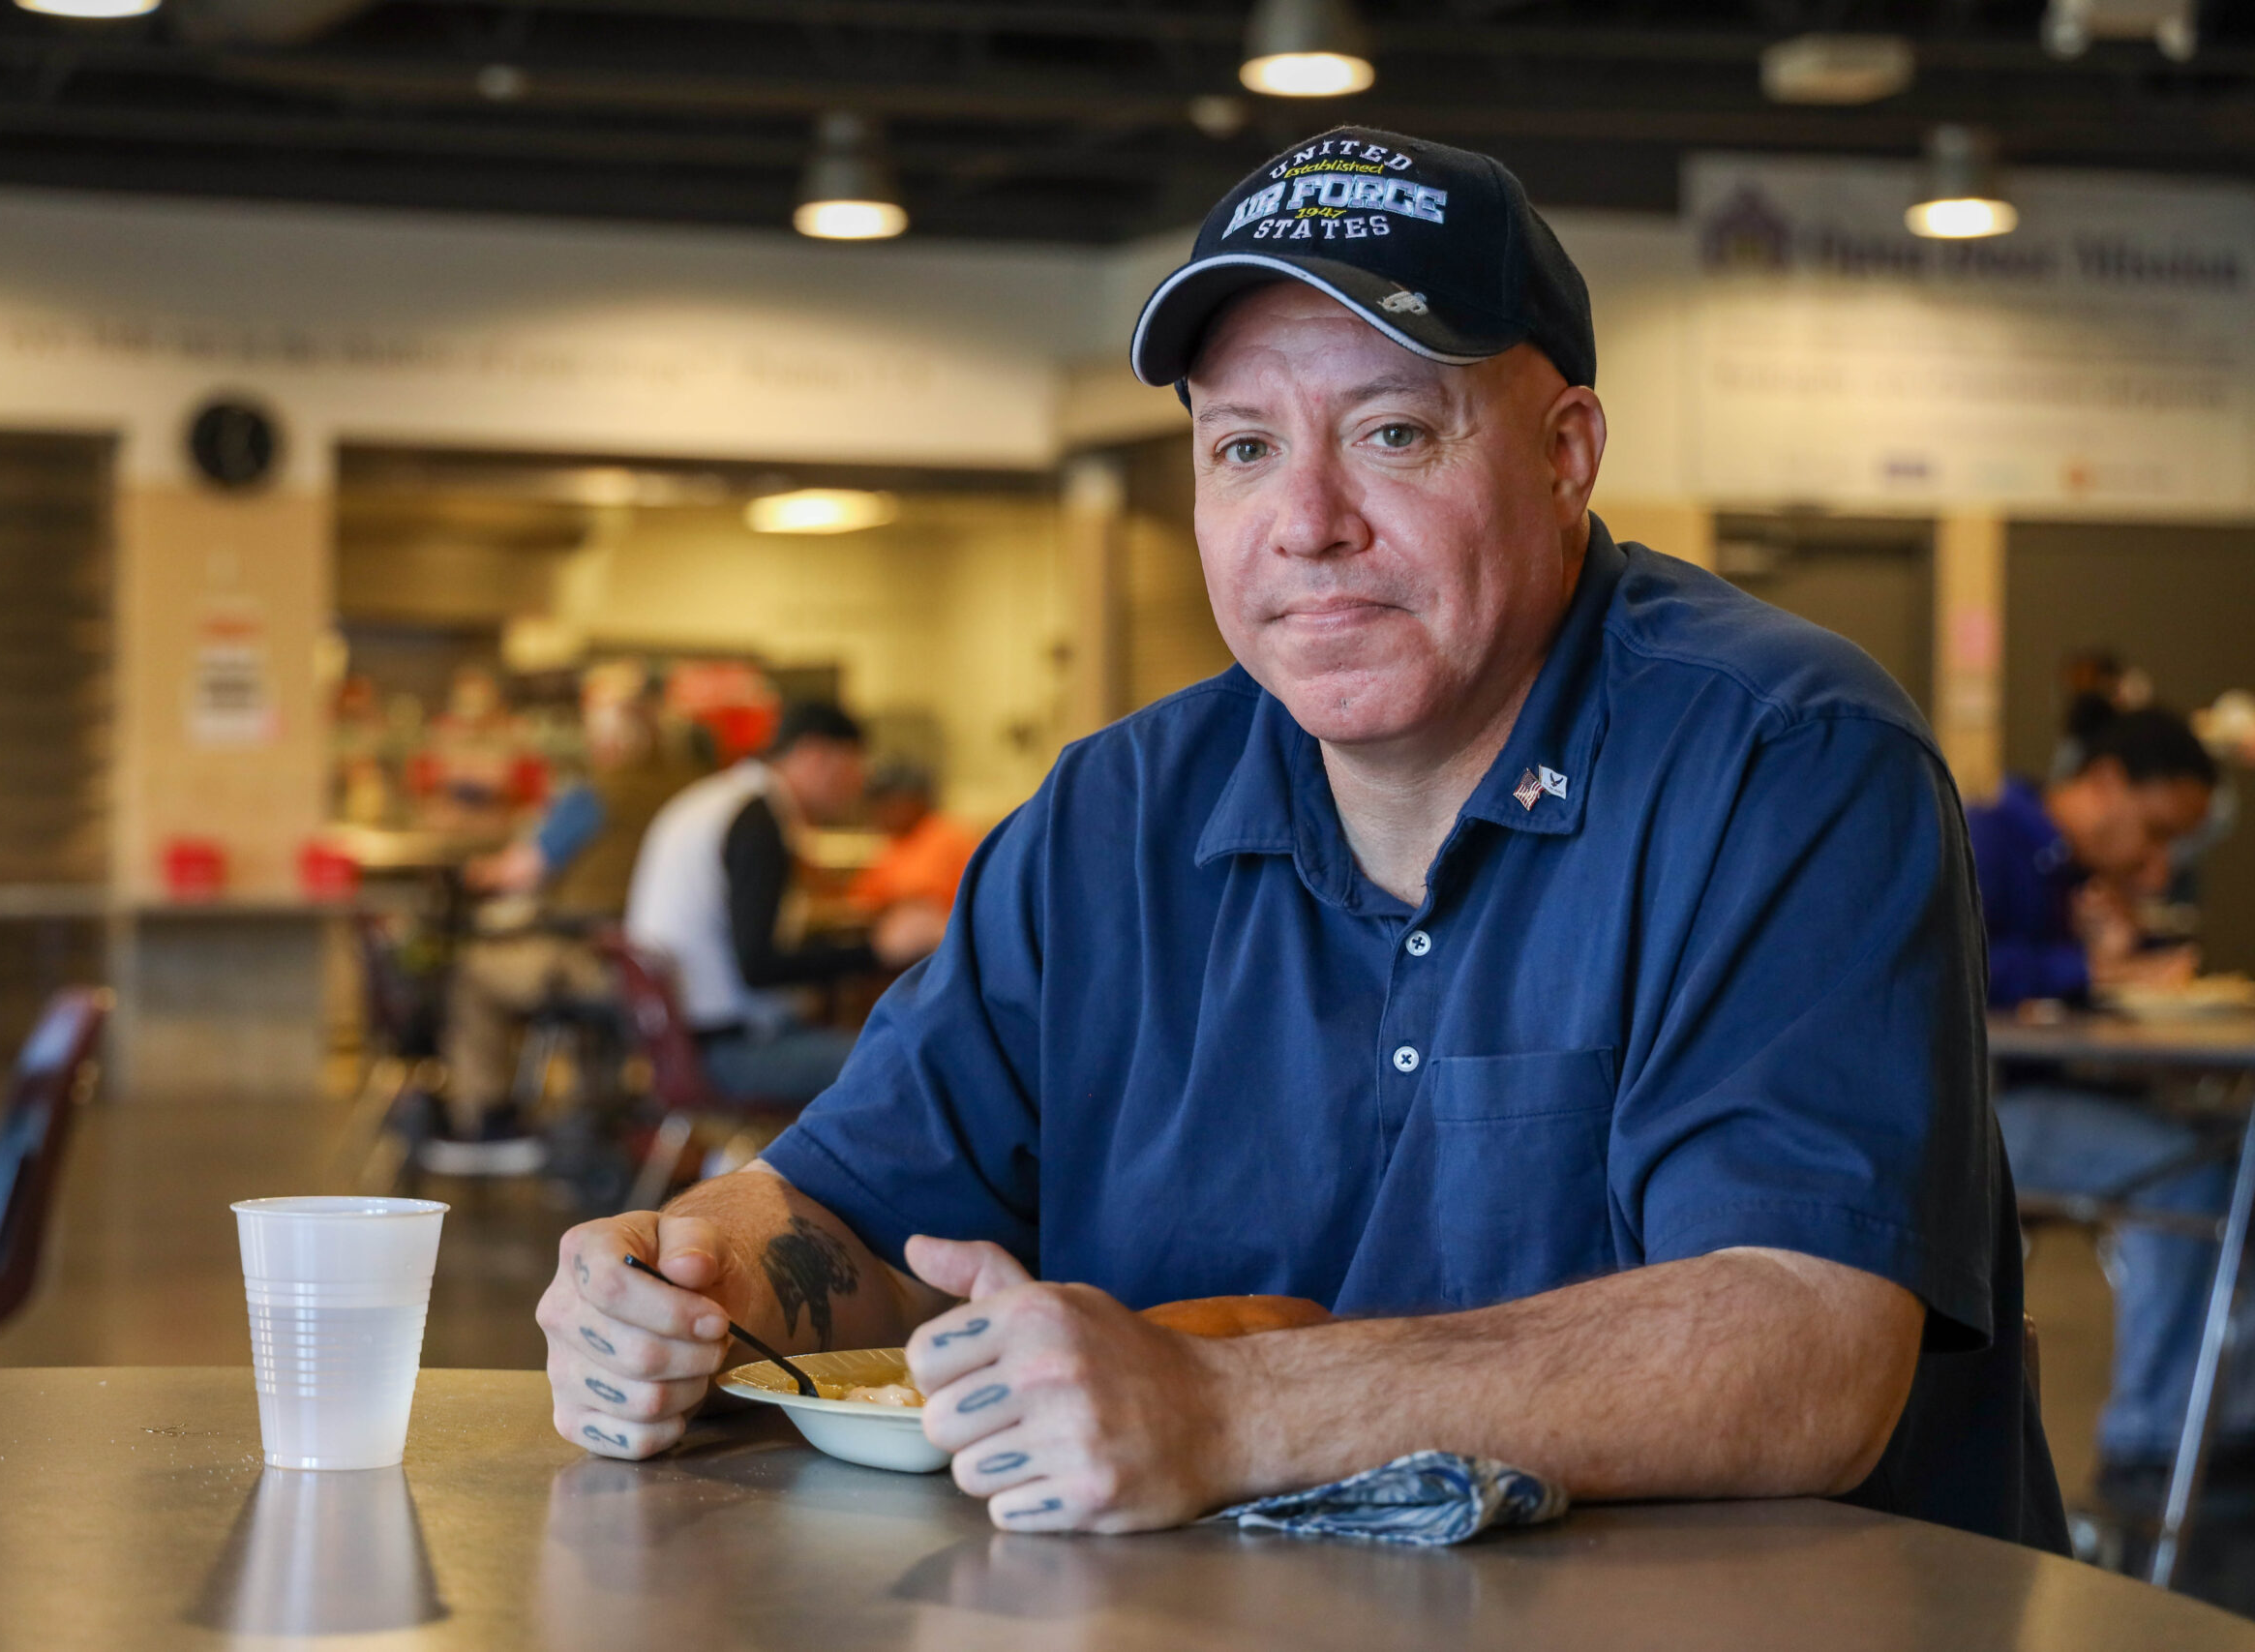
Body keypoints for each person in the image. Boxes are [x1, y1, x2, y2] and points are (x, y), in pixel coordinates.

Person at [537, 127, 2062, 1551]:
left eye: (1393, 432)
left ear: (1565, 451)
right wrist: (685, 1271)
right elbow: (852, 1215)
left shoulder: (1782, 762)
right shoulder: (1111, 818)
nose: (1307, 520)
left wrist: (1230, 1407)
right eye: (1244, 447)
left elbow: (1809, 1347)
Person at [1969, 707, 2236, 1503]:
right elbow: (1966, 962)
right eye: (2154, 834)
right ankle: (2149, 1443)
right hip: (1987, 1111)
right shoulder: (1988, 836)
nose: (2157, 864)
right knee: (2188, 1175)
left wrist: (2115, 954)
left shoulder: (2067, 867)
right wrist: (2083, 968)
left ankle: (2226, 1415)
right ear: (2108, 783)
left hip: (2046, 1089)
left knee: (2234, 1140)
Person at [434, 668, 707, 1159]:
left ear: (610, 744)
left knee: (474, 973)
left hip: (589, 959)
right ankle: (597, 1115)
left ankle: (488, 1118)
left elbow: (521, 871)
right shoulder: (687, 791)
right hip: (661, 969)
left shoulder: (594, 796)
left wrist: (479, 873)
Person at [624, 701, 945, 1103]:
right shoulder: (758, 817)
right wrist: (877, 950)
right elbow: (759, 966)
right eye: (852, 767)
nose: (858, 785)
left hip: (677, 1044)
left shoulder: (722, 799)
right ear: (813, 755)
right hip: (727, 1052)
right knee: (909, 1061)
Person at [846, 760, 979, 919]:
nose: (880, 813)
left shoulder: (944, 836)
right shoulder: (896, 844)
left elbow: (923, 896)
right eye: (877, 805)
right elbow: (863, 898)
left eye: (889, 803)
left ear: (917, 799)